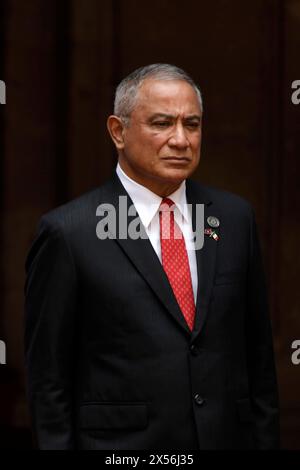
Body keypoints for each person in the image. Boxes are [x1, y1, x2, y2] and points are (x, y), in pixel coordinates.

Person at [24, 63, 280, 450]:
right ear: (118, 131)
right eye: (162, 123)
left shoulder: (233, 218)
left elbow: (258, 359)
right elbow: (48, 380)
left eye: (191, 125)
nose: (181, 139)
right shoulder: (69, 232)